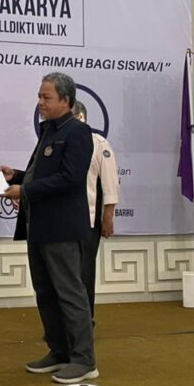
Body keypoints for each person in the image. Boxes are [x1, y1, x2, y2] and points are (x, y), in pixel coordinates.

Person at [0, 72, 97, 384]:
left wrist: (24, 190)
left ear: (65, 100)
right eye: (39, 97)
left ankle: (84, 360)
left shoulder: (78, 132)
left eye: (47, 97)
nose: (40, 103)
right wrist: (16, 176)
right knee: (45, 293)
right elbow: (40, 174)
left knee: (70, 293)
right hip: (38, 226)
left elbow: (69, 178)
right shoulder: (49, 130)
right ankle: (59, 351)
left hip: (63, 228)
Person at [71, 102, 120, 320]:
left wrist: (108, 217)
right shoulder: (57, 142)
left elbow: (110, 183)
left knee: (84, 273)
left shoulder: (99, 143)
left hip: (88, 221)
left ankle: (85, 321)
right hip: (61, 220)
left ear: (80, 117)